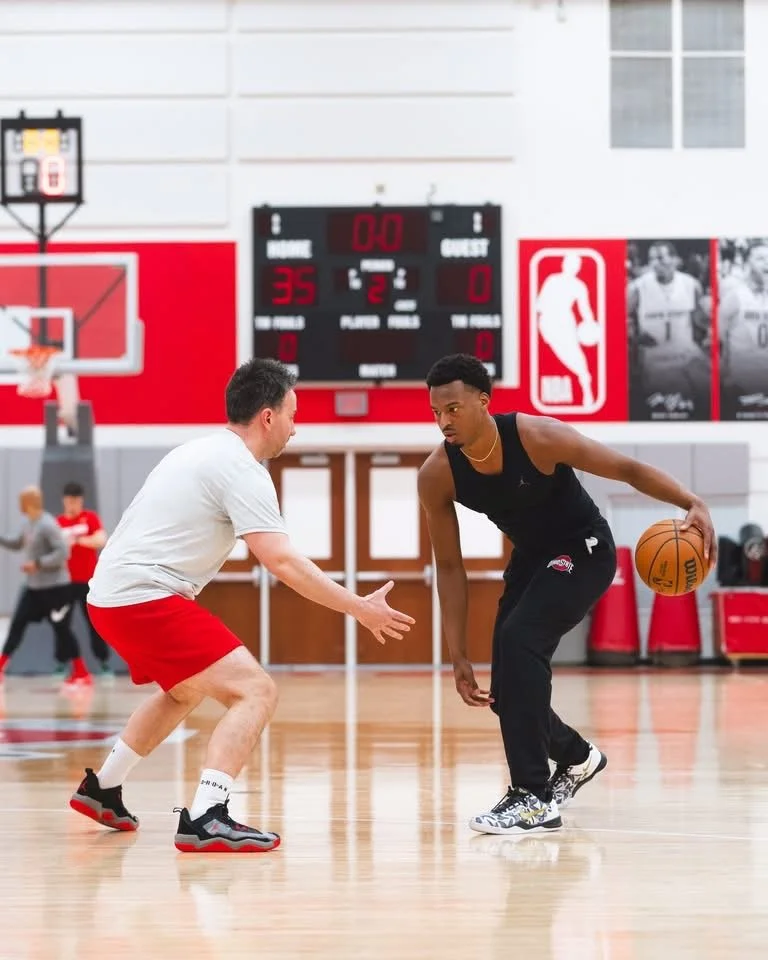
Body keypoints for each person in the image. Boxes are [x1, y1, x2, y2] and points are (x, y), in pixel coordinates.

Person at [69, 358, 414, 853]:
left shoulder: (200, 450)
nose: (296, 429)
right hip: (142, 597)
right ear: (268, 417)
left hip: (112, 596)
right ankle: (208, 816)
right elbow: (282, 561)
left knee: (182, 691)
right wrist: (359, 606)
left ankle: (103, 788)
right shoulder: (241, 469)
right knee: (255, 690)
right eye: (293, 415)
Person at [418, 354, 716, 836]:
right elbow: (450, 567)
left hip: (585, 549)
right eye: (436, 412)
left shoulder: (536, 436)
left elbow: (625, 468)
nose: (443, 421)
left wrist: (691, 502)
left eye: (453, 408)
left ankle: (533, 798)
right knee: (507, 691)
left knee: (520, 641)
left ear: (483, 402)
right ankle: (577, 758)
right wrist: (457, 654)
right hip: (534, 559)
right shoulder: (438, 474)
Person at [0, 486, 92, 686]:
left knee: (62, 630)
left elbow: (63, 552)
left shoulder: (48, 524)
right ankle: (1, 667)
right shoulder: (27, 523)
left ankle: (82, 672)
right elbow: (17, 542)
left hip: (55, 589)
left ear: (30, 502)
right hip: (34, 588)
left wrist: (38, 563)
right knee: (18, 624)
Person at [57, 481, 112, 678]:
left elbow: (100, 539)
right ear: (64, 501)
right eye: (69, 501)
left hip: (88, 581)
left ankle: (103, 662)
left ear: (81, 501)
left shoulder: (90, 518)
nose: (72, 504)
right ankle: (62, 663)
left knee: (93, 622)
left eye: (76, 501)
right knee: (61, 623)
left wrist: (79, 541)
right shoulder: (58, 523)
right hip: (64, 582)